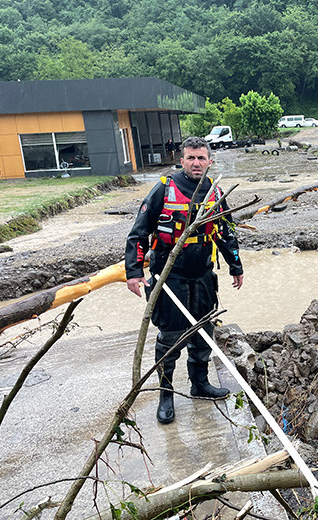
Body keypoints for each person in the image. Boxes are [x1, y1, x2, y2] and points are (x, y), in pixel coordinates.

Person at [125, 137, 244, 424]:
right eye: (191, 158)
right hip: (169, 278)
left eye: (201, 158)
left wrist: (235, 265)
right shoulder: (164, 189)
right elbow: (138, 233)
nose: (196, 163)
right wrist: (133, 271)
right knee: (169, 339)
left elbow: (226, 233)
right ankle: (166, 395)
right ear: (182, 160)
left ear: (210, 161)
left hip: (202, 275)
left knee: (203, 333)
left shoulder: (215, 191)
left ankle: (199, 383)